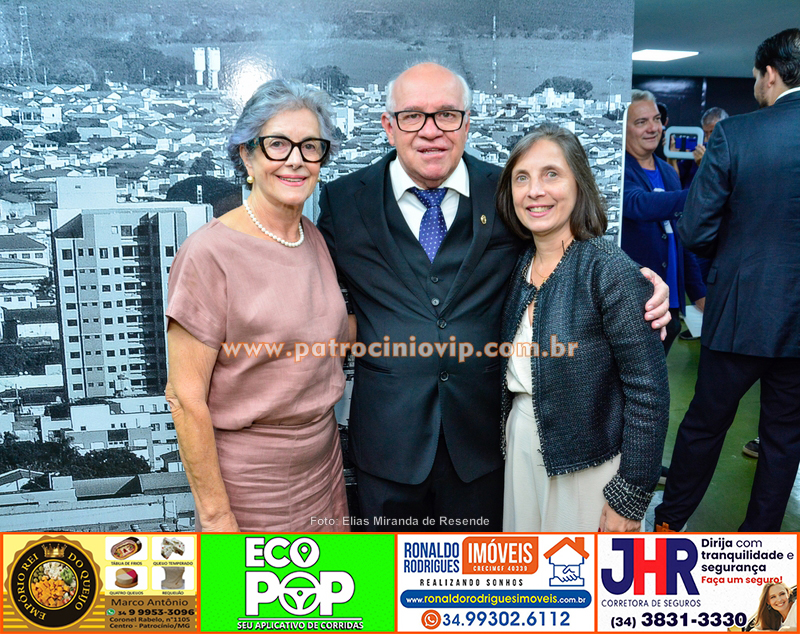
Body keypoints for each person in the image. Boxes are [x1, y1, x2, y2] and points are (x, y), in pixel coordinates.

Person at [317, 62, 671, 532]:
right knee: (390, 572)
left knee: (487, 572)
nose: (431, 131)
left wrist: (643, 286)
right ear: (388, 125)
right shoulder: (343, 201)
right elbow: (309, 283)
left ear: (467, 123)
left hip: (485, 444)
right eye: (412, 116)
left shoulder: (507, 193)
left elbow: (566, 256)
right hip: (387, 442)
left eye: (447, 115)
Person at [164, 79, 350, 532]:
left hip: (325, 469)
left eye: (310, 147)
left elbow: (322, 339)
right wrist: (216, 515)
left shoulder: (313, 238)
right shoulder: (208, 253)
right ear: (246, 155)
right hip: (250, 485)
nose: (296, 159)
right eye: (277, 144)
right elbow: (185, 399)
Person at [654, 28, 800, 532]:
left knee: (705, 424)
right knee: (784, 438)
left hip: (741, 311)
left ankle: (670, 524)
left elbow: (695, 230)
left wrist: (735, 260)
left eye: (756, 76)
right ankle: (760, 543)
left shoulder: (736, 134)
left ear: (770, 74)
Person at [496, 125, 669, 532]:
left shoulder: (608, 269)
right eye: (522, 178)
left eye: (551, 174)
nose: (535, 191)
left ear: (579, 184)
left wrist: (630, 495)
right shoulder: (519, 265)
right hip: (522, 448)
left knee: (577, 572)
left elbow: (649, 393)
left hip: (590, 464)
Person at [622, 89, 707, 355]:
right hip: (635, 304)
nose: (653, 128)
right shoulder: (618, 169)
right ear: (623, 128)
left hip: (670, 305)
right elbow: (637, 204)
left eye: (657, 119)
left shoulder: (669, 172)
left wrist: (698, 293)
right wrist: (703, 192)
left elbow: (681, 237)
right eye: (641, 122)